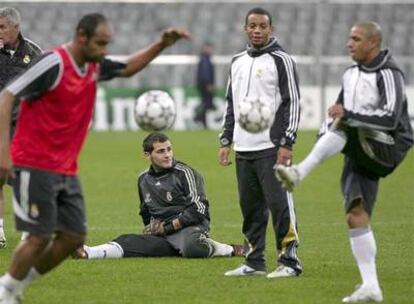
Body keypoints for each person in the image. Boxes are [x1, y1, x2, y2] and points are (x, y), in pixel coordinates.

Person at [0, 13, 190, 303]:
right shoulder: (54, 62)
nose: (104, 50)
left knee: (74, 238)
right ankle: (7, 291)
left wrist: (161, 45)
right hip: (34, 162)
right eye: (100, 44)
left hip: (65, 167)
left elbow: (127, 67)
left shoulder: (93, 66)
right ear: (81, 38)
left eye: (107, 44)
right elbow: (7, 95)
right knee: (39, 237)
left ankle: (12, 285)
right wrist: (3, 150)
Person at [276, 21, 413, 303]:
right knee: (355, 213)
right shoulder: (350, 74)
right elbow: (338, 114)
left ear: (373, 43)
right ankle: (371, 286)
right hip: (360, 147)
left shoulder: (389, 73)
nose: (349, 43)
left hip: (389, 146)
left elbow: (390, 119)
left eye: (356, 39)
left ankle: (300, 173)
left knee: (346, 123)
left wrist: (346, 116)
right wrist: (326, 130)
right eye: (349, 38)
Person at [218, 7, 302, 278]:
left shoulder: (282, 60)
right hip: (243, 147)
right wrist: (226, 139)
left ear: (271, 29)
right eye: (252, 25)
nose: (256, 30)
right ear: (245, 28)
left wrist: (287, 142)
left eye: (262, 26)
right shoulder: (236, 61)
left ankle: (289, 262)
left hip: (271, 147)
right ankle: (254, 262)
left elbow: (293, 102)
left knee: (280, 205)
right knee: (251, 208)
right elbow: (231, 103)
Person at [73, 132, 243, 260]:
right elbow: (145, 211)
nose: (167, 154)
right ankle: (87, 251)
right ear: (148, 155)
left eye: (169, 149)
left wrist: (168, 228)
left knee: (192, 247)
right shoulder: (143, 179)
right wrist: (151, 228)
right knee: (129, 242)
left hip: (189, 229)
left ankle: (230, 249)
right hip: (163, 236)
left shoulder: (185, 173)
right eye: (161, 151)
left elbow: (199, 209)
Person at [0, 7, 42, 249]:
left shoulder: (33, 52)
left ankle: (31, 230)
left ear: (16, 27)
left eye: (2, 27)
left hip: (24, 126)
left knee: (25, 179)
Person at [194, 42, 215, 129]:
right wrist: (208, 84)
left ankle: (202, 120)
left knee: (206, 103)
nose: (210, 50)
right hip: (205, 85)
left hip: (203, 84)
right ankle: (198, 117)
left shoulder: (204, 58)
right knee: (207, 103)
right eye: (208, 48)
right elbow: (205, 72)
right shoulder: (205, 59)